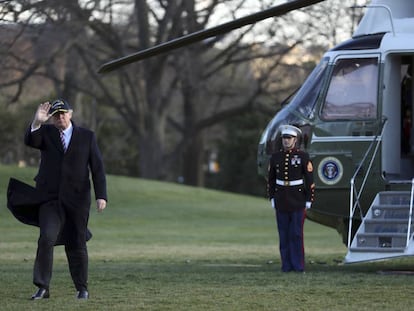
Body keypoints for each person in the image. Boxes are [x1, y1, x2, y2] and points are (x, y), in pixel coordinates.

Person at [24, 99, 107, 300]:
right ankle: (43, 287)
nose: (60, 117)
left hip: (77, 200)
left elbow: (97, 168)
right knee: (46, 238)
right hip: (49, 199)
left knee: (76, 242)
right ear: (51, 118)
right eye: (55, 114)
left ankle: (82, 288)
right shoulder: (46, 133)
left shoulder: (87, 136)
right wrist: (36, 122)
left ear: (70, 113)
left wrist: (101, 195)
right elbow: (30, 141)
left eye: (63, 113)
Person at [267, 125, 315, 272]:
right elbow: (271, 179)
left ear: (295, 140)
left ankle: (298, 265)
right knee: (284, 234)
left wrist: (309, 199)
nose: (286, 141)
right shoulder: (275, 157)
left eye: (289, 138)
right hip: (282, 199)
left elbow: (309, 179)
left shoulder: (302, 156)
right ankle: (286, 265)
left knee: (296, 234)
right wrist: (272, 197)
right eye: (284, 138)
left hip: (298, 199)